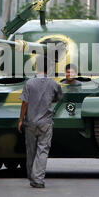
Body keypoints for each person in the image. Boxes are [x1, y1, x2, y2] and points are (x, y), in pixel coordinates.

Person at [18, 56, 63, 188]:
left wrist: (21, 120)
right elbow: (58, 98)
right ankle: (37, 179)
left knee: (31, 150)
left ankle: (32, 176)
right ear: (49, 68)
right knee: (42, 150)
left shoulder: (29, 83)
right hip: (45, 122)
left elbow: (25, 103)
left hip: (30, 122)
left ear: (36, 67)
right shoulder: (54, 84)